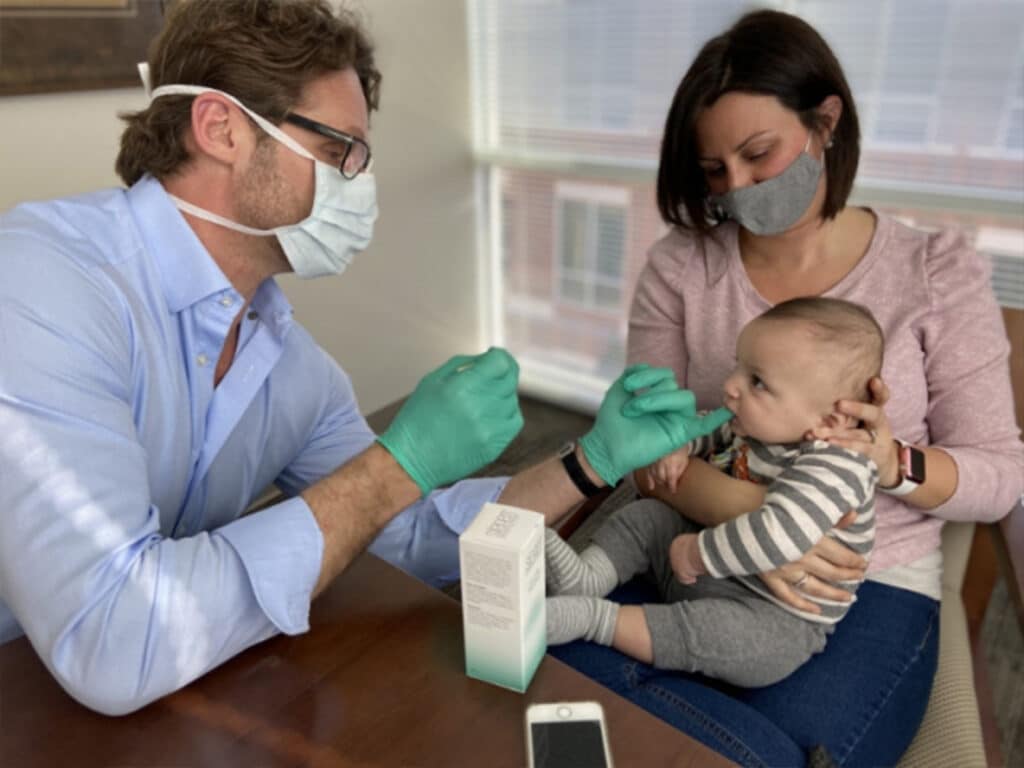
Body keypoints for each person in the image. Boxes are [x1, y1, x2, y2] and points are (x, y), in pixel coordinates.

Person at [0, 0, 728, 716]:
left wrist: (589, 462)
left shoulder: (288, 362)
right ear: (220, 127)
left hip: (173, 695)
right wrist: (392, 469)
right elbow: (112, 637)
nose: (358, 184)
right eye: (336, 151)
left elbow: (398, 532)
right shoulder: (45, 283)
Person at [547, 9, 1024, 768]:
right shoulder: (683, 268)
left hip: (856, 587)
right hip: (695, 536)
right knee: (556, 697)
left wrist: (888, 461)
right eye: (714, 170)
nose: (735, 190)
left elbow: (1000, 477)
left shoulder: (934, 272)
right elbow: (648, 453)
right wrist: (771, 532)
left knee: (752, 750)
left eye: (758, 154)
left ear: (826, 122)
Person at [545, 297, 882, 688]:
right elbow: (702, 427)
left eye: (756, 381)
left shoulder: (838, 464)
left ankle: (595, 620)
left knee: (746, 644)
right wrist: (680, 445)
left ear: (828, 421)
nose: (730, 385)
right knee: (648, 519)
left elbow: (775, 537)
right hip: (694, 567)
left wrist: (697, 553)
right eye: (737, 365)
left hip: (770, 608)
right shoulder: (754, 426)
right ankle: (587, 577)